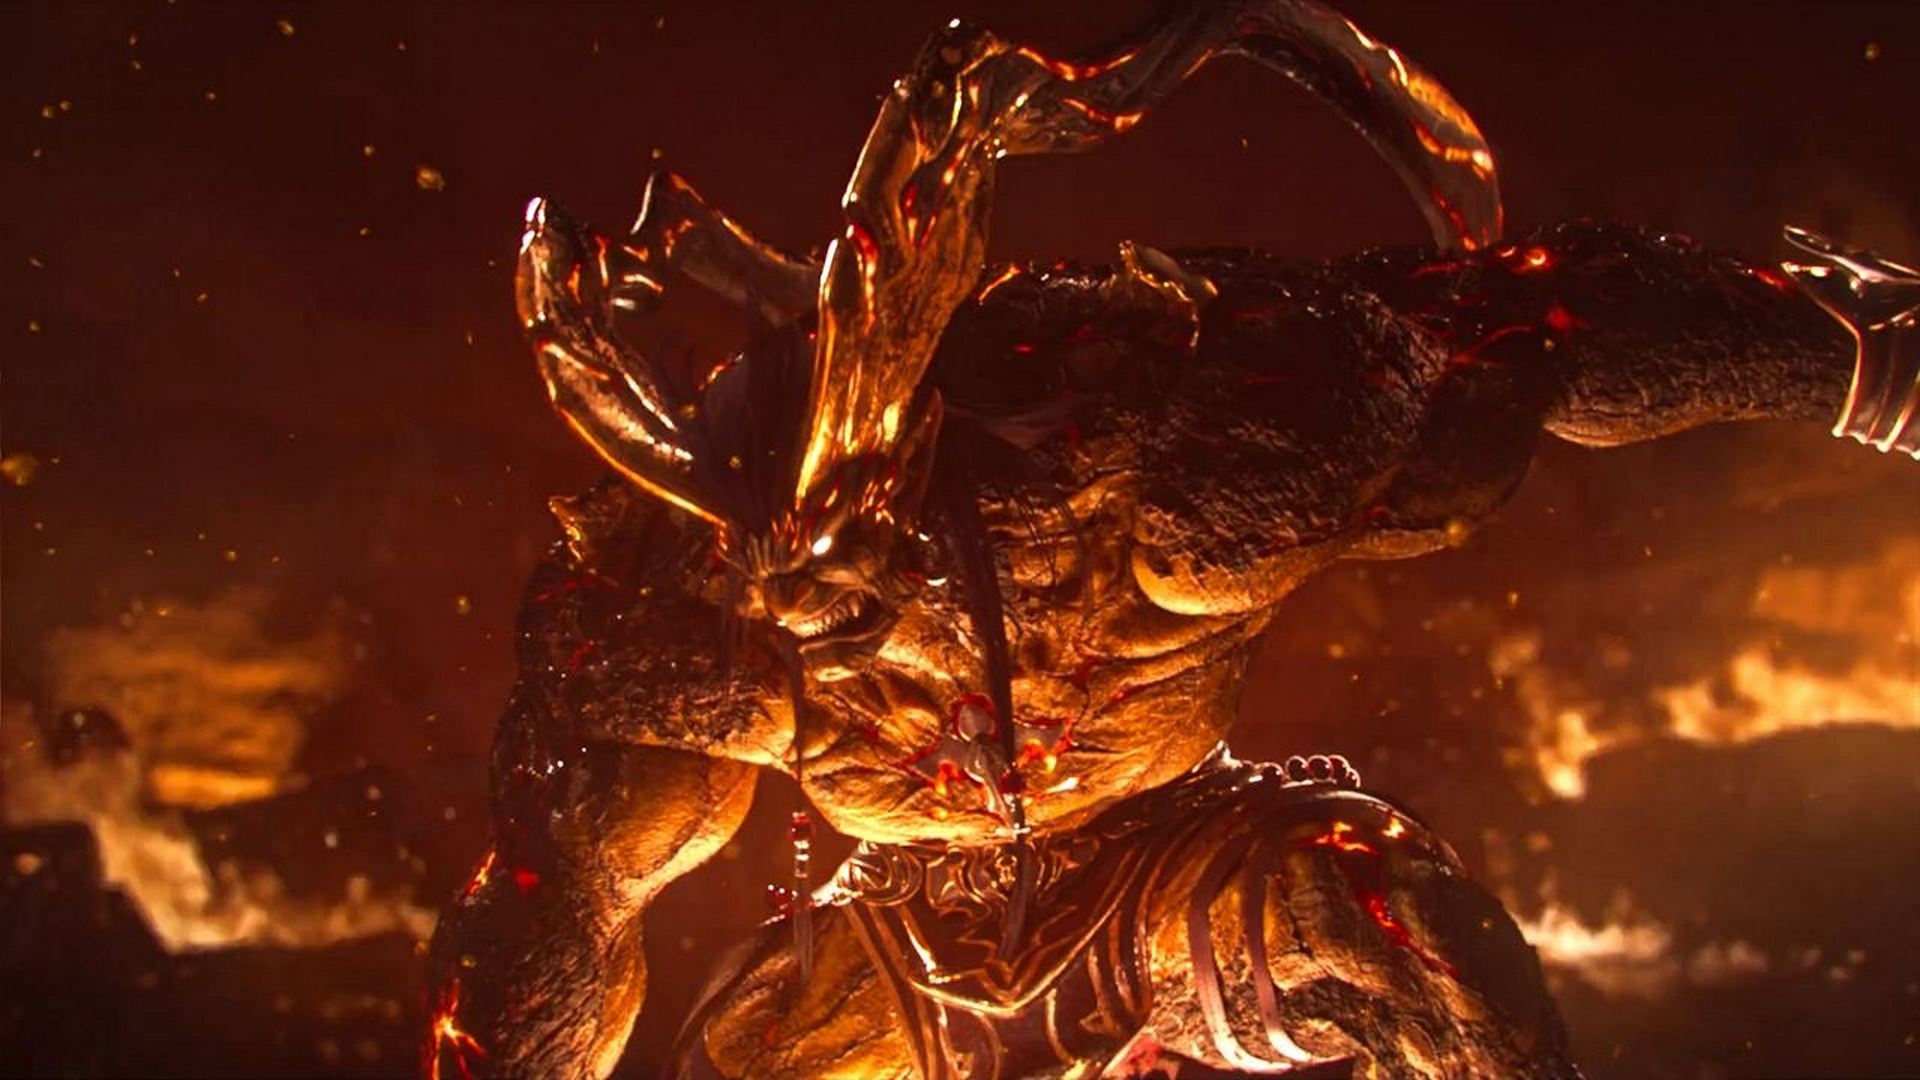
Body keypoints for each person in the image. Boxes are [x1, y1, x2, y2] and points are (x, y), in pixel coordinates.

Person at [425, 2, 1918, 1076]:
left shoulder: (1188, 458)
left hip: (1174, 883)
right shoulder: (672, 627)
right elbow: (559, 898)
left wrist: (1873, 369)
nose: (836, 624)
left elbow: (1538, 331)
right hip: (884, 953)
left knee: (1405, 929)